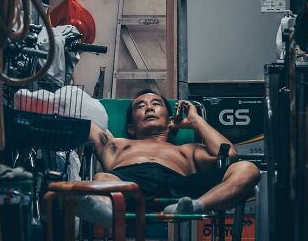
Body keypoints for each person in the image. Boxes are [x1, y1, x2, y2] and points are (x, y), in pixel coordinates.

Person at [75, 89, 260, 227]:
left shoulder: (188, 150)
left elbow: (228, 154)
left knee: (248, 168)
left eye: (156, 104)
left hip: (180, 187)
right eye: (140, 106)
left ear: (170, 121)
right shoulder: (116, 144)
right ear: (131, 127)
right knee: (102, 178)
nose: (148, 107)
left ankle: (196, 206)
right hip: (129, 184)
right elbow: (84, 120)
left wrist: (196, 121)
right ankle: (106, 213)